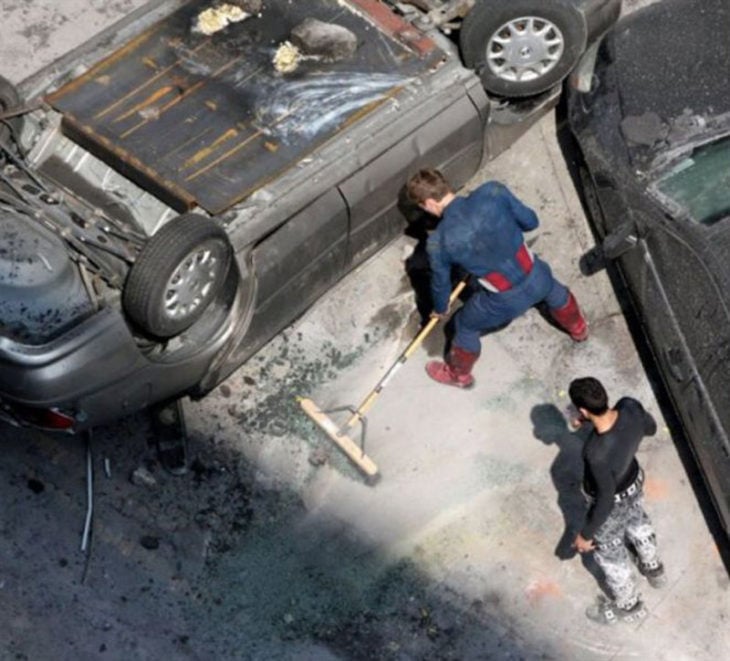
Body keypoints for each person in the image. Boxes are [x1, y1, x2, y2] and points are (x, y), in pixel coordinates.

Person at [404, 168, 588, 388]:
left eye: (423, 207)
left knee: (464, 327)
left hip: (505, 300)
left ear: (430, 203)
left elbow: (441, 284)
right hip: (537, 275)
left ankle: (458, 375)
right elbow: (531, 222)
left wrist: (441, 309)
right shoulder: (492, 192)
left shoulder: (438, 242)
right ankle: (579, 329)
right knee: (556, 292)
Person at [568, 376, 666, 625]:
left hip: (612, 501)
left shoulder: (595, 452)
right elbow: (650, 428)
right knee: (638, 521)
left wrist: (587, 535)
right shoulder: (629, 406)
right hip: (634, 481)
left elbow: (606, 500)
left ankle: (628, 605)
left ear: (582, 410)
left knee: (611, 554)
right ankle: (653, 568)